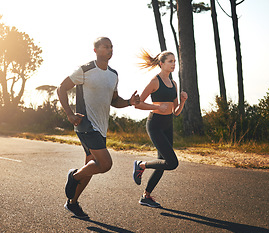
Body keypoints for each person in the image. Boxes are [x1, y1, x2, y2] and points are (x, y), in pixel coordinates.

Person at [57, 37, 140, 218]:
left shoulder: (113, 74)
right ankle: (74, 177)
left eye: (111, 47)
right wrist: (70, 114)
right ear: (95, 50)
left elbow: (114, 101)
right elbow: (61, 88)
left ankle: (72, 202)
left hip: (101, 127)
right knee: (105, 164)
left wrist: (129, 102)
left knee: (91, 165)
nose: (110, 50)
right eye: (105, 47)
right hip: (86, 124)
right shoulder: (85, 70)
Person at [132, 50, 188, 208]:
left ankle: (146, 196)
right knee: (172, 163)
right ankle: (141, 165)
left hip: (168, 124)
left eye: (175, 61)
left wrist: (182, 101)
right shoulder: (154, 82)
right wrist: (156, 106)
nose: (173, 64)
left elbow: (175, 111)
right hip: (155, 124)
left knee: (162, 163)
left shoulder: (174, 83)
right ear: (161, 64)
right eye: (170, 61)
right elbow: (138, 103)